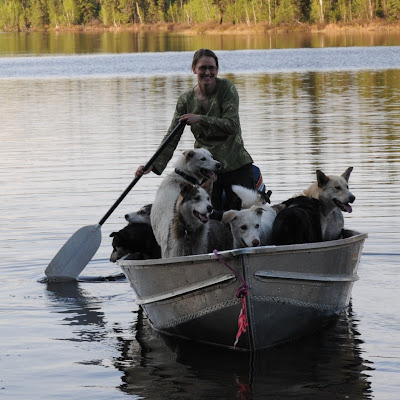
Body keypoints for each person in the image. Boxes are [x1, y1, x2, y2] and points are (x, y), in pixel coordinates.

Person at [135, 48, 256, 214]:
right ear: (194, 69)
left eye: (211, 68)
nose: (207, 72)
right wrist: (152, 164)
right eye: (202, 68)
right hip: (205, 171)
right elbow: (172, 135)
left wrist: (200, 118)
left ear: (217, 69)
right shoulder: (186, 99)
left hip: (236, 164)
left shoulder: (227, 88)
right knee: (210, 217)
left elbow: (231, 125)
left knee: (245, 215)